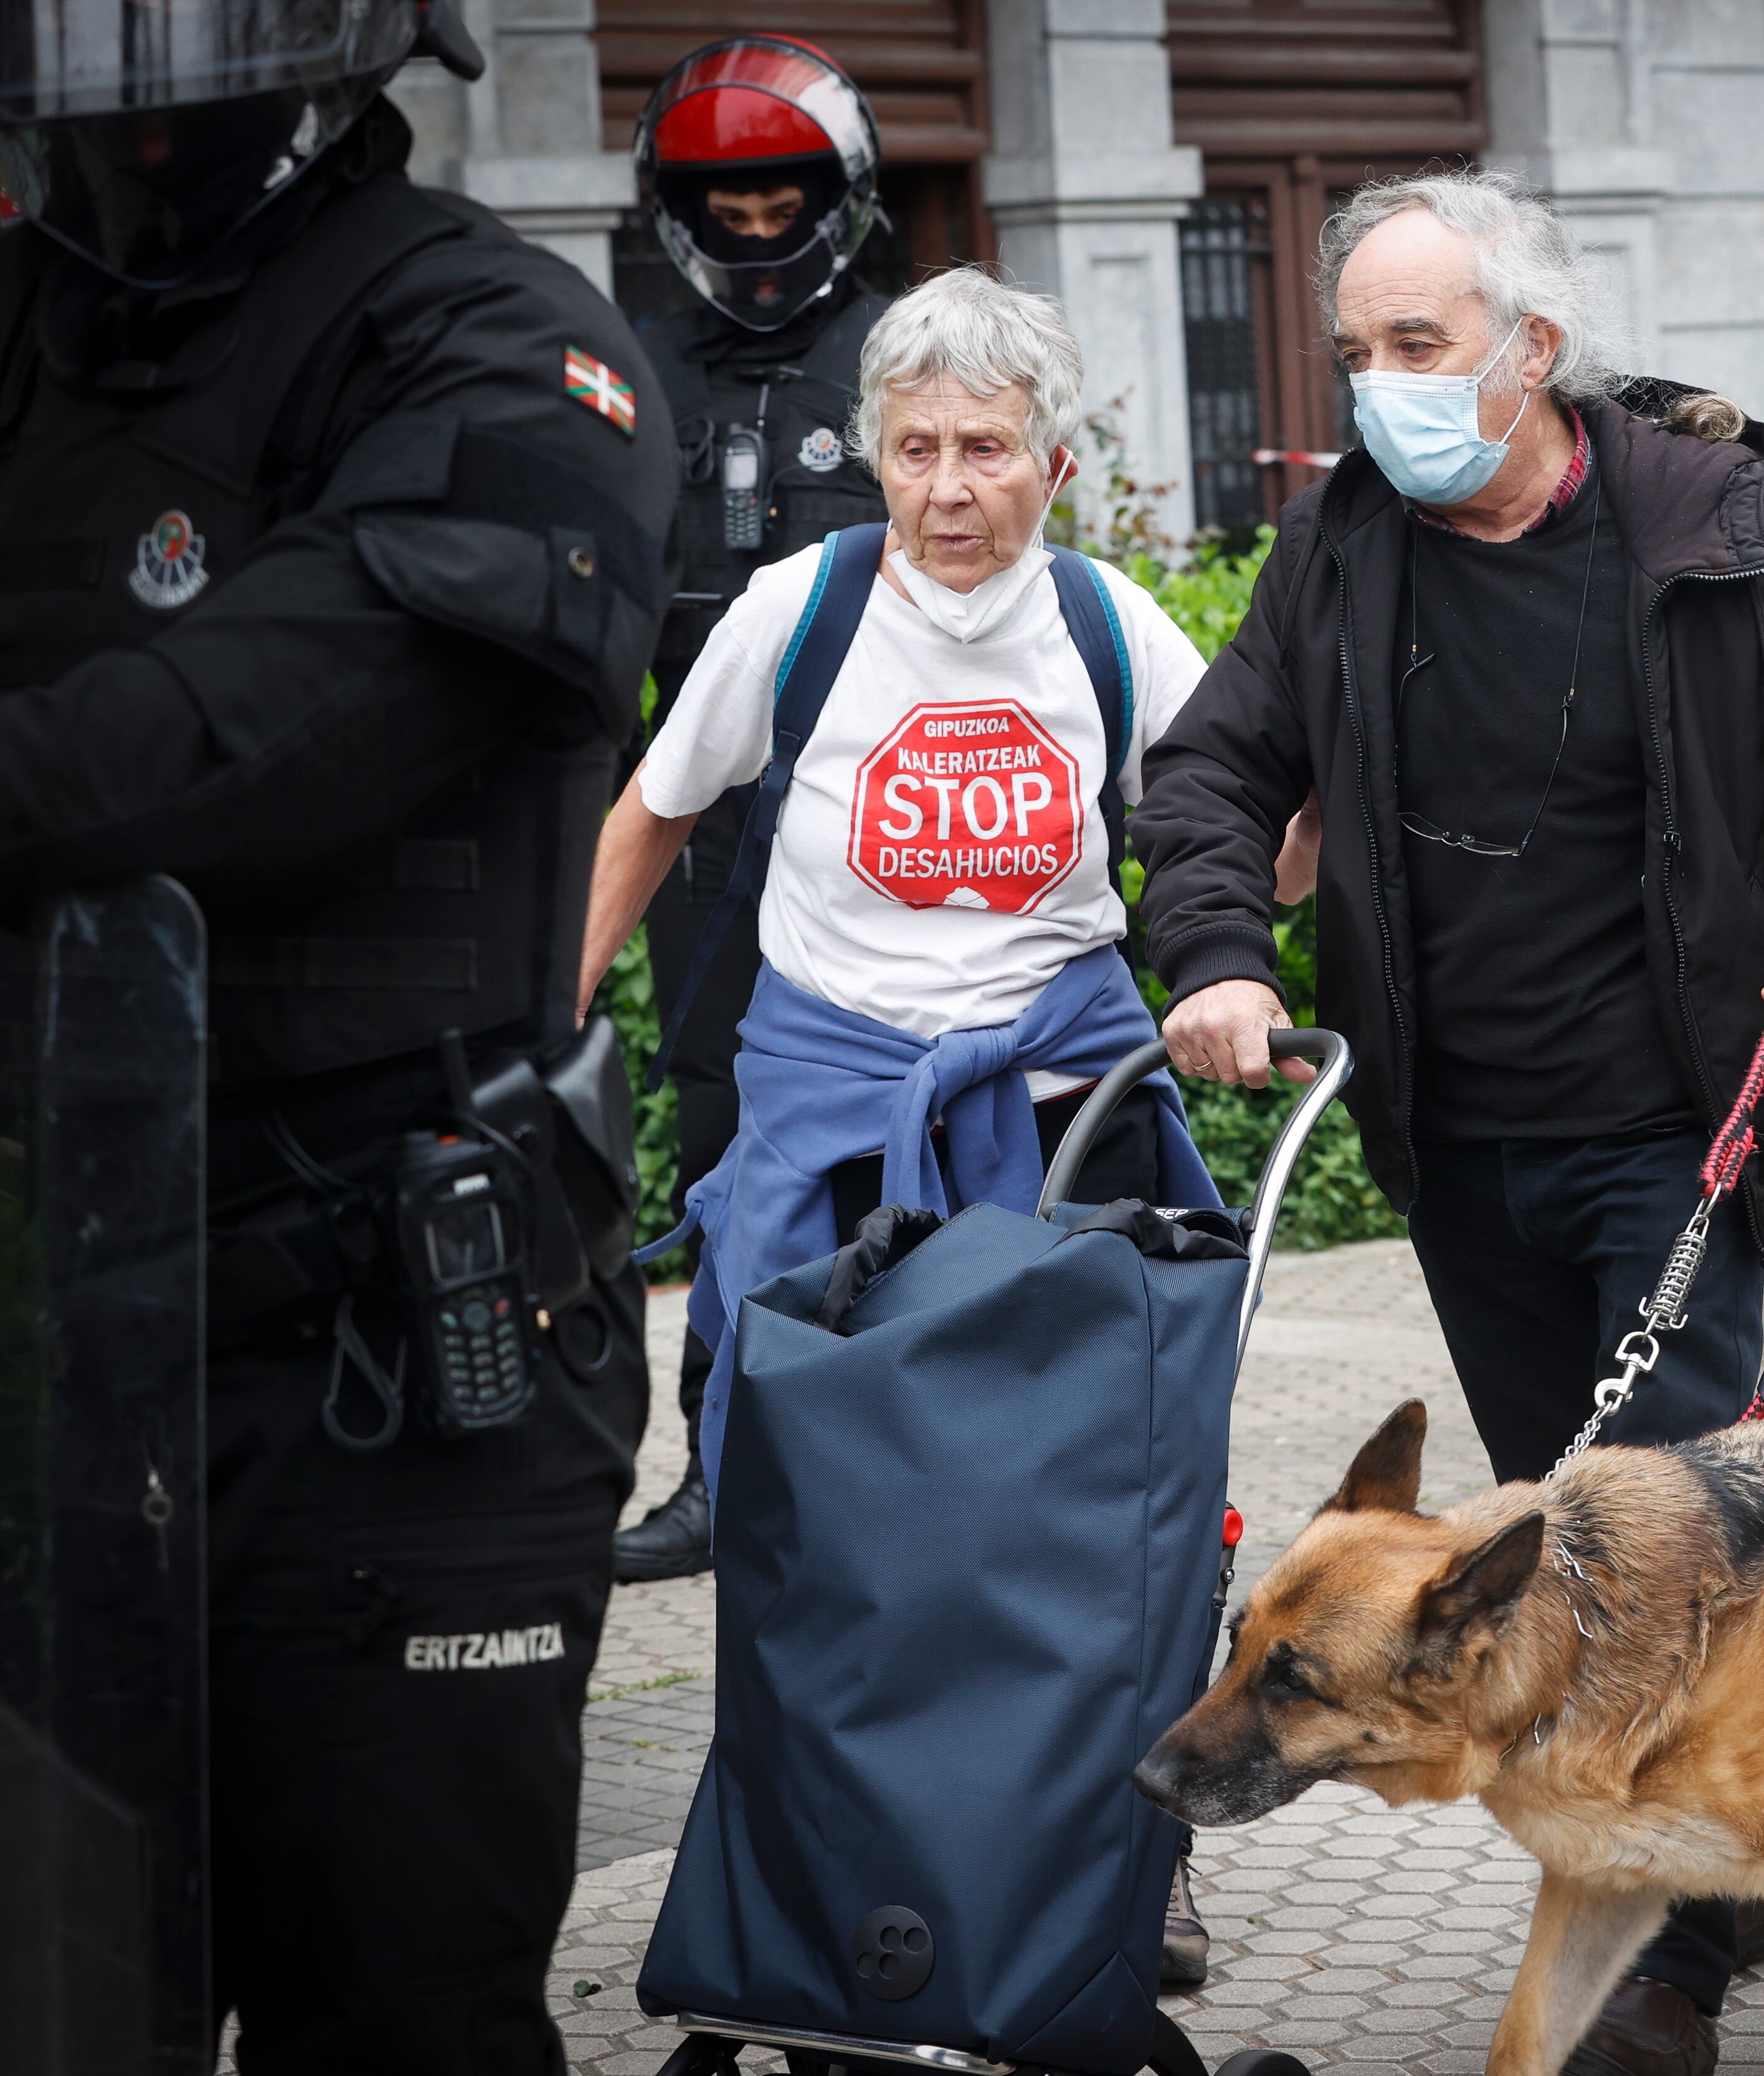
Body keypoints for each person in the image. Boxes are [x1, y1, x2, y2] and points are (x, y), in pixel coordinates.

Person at [1131, 170, 1764, 2076]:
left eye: (1418, 346)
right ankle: (1643, 1864)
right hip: (1453, 1136)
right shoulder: (1339, 547)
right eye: (1358, 353)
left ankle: (1686, 1952)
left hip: (1679, 1121)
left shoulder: (1724, 537)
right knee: (1557, 1533)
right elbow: (1213, 772)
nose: (1381, 388)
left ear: (1533, 356)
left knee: (1676, 1543)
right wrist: (1214, 949)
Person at [0, 1, 674, 2062]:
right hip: (58, 1359)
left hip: (389, 1373)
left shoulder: (502, 348)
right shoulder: (30, 330)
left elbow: (223, 761)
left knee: (394, 2017)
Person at [575, 263, 1231, 1980]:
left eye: (988, 449)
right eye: (919, 446)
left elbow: (1241, 814)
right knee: (812, 1509)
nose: (951, 488)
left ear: (1055, 464)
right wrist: (551, 1010)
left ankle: (1126, 1858)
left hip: (1064, 1102)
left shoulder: (1108, 624)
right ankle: (803, 1853)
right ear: (876, 452)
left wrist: (1264, 901)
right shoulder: (799, 606)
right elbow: (652, 809)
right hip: (830, 1098)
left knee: (1091, 1505)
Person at [614, 33, 896, 1587]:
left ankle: (902, 1462)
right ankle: (720, 1471)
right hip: (703, 841)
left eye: (786, 191)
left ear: (838, 196)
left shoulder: (907, 360)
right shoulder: (628, 374)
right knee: (725, 1161)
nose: (758, 220)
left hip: (877, 830)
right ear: (677, 208)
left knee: (901, 1154)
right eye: (726, 197)